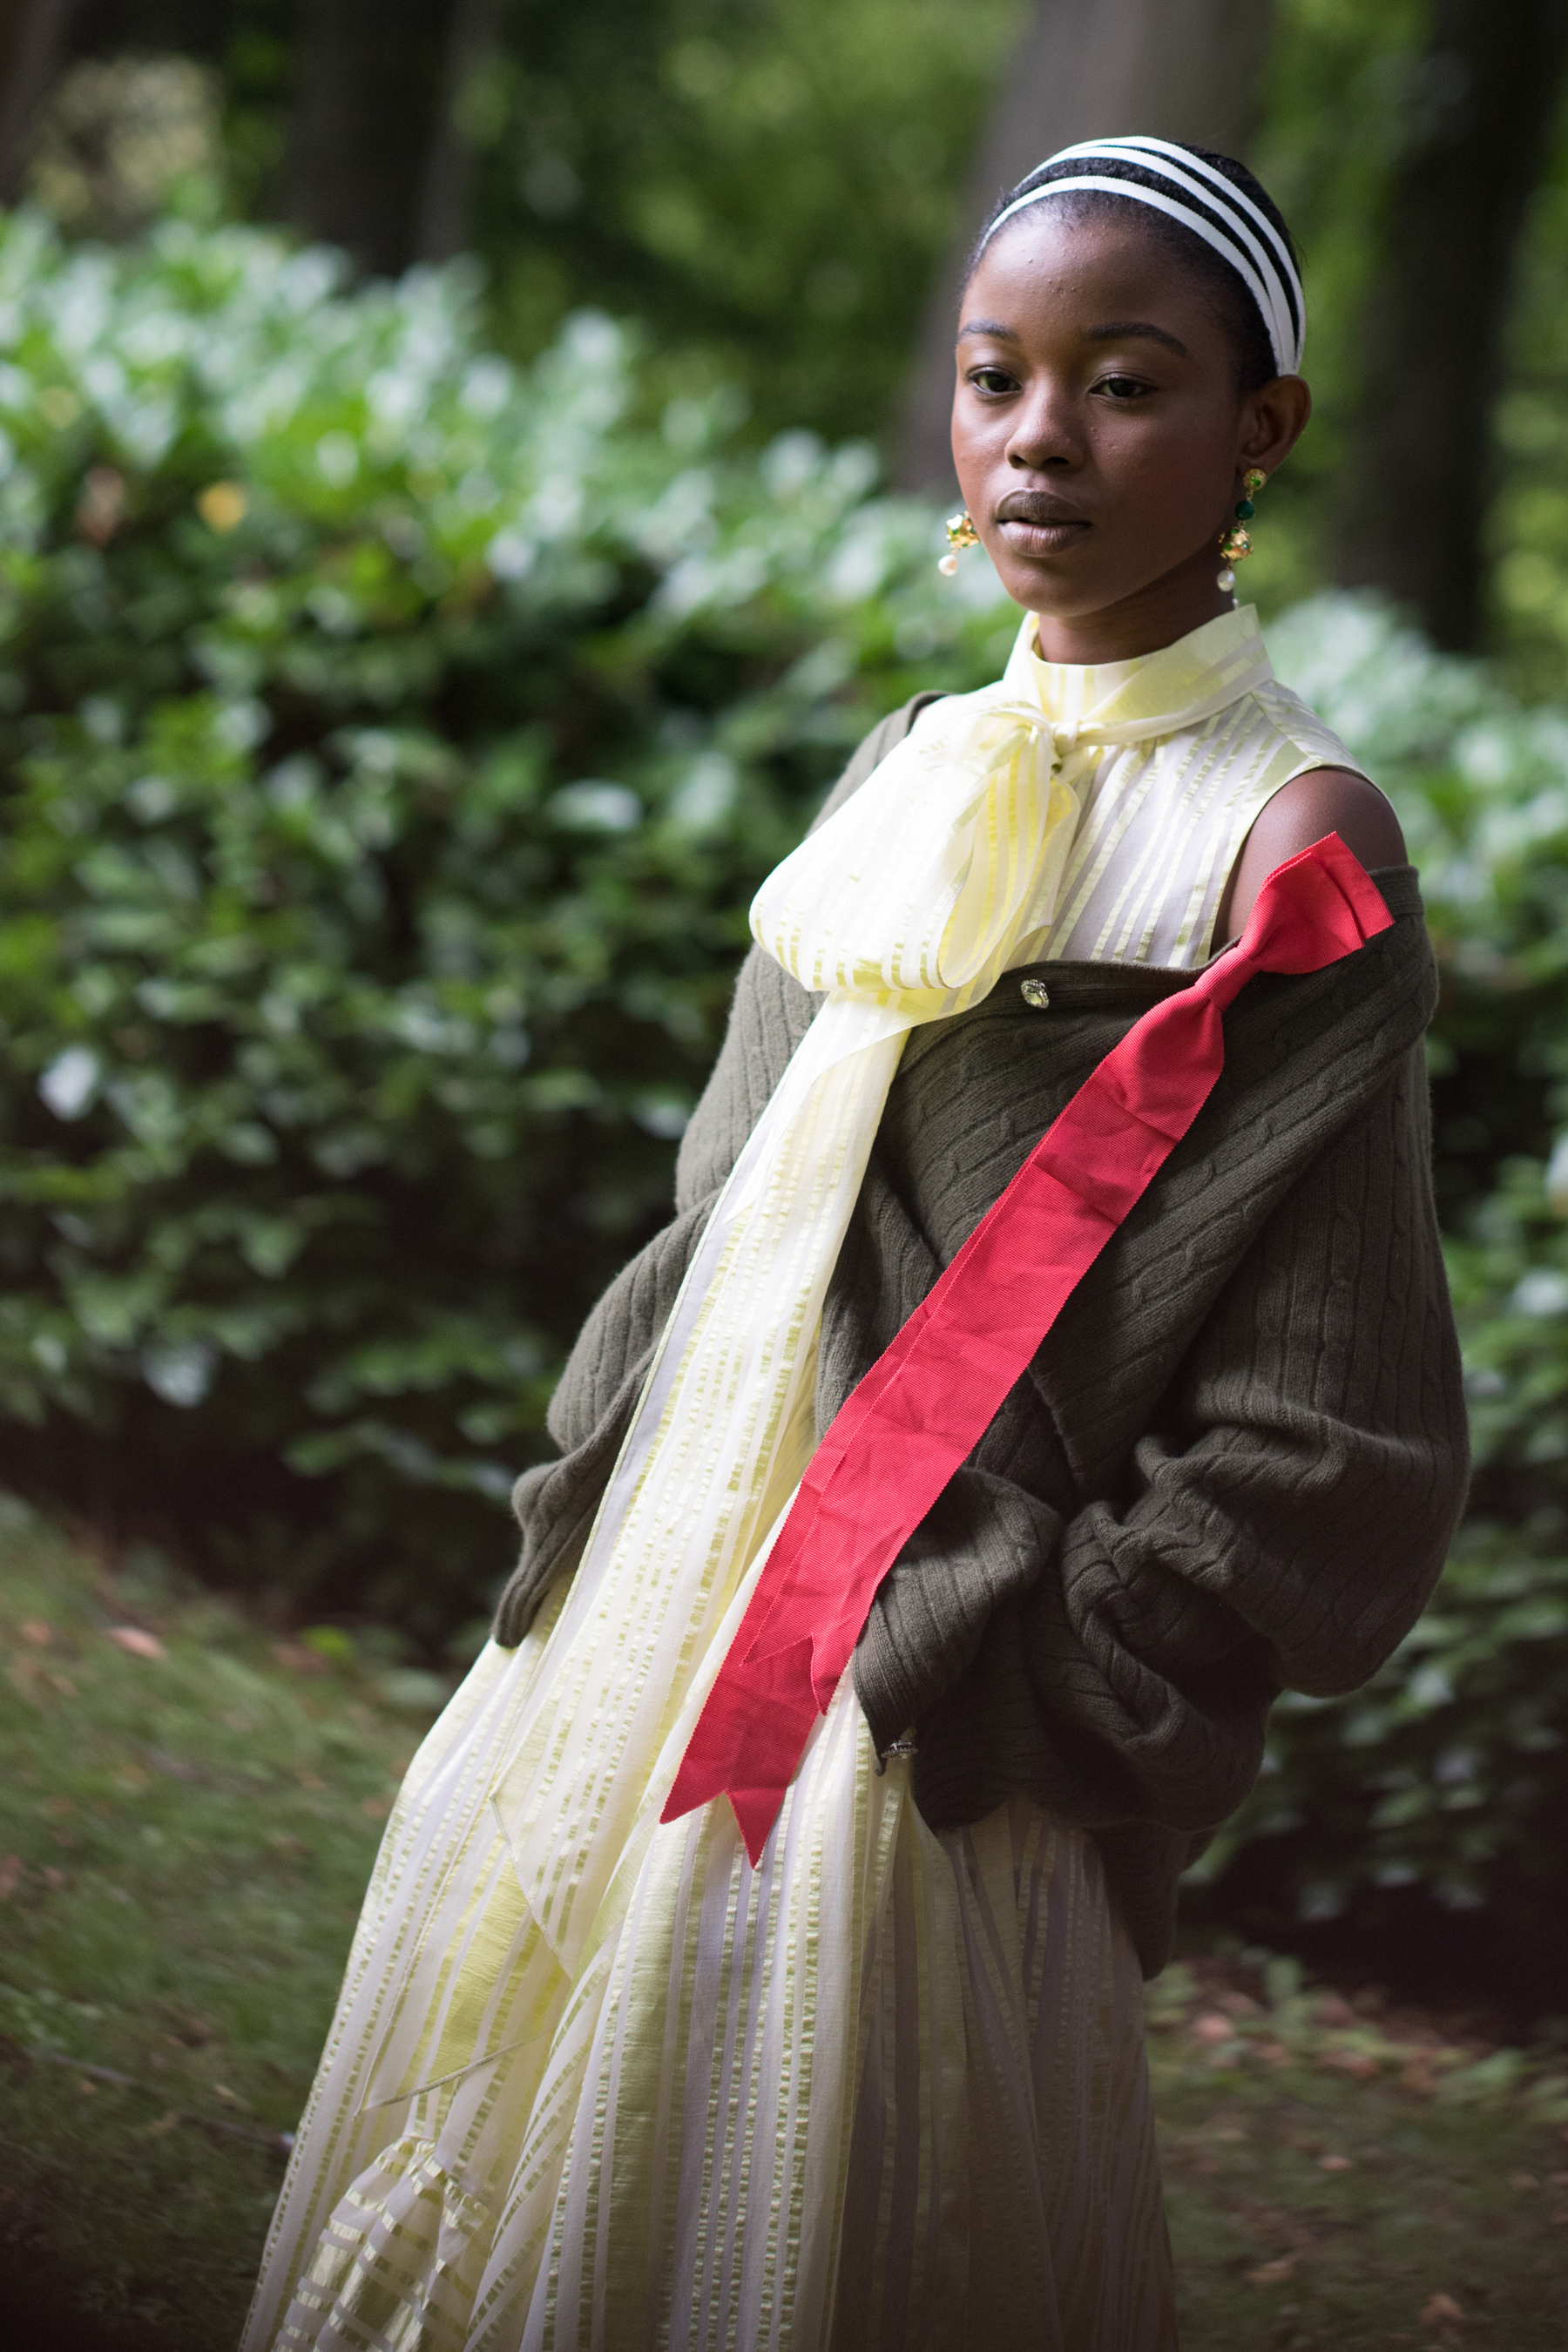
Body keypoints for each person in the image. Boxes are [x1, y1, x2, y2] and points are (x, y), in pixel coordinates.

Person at [245, 136, 1468, 2352]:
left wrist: (1019, 1662)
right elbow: (730, 1207)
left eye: (1125, 382)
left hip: (926, 1691)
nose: (1039, 438)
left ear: (1258, 429)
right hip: (644, 1622)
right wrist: (601, 1505)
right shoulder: (912, 758)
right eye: (998, 378)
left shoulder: (1295, 843)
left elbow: (1333, 1424)